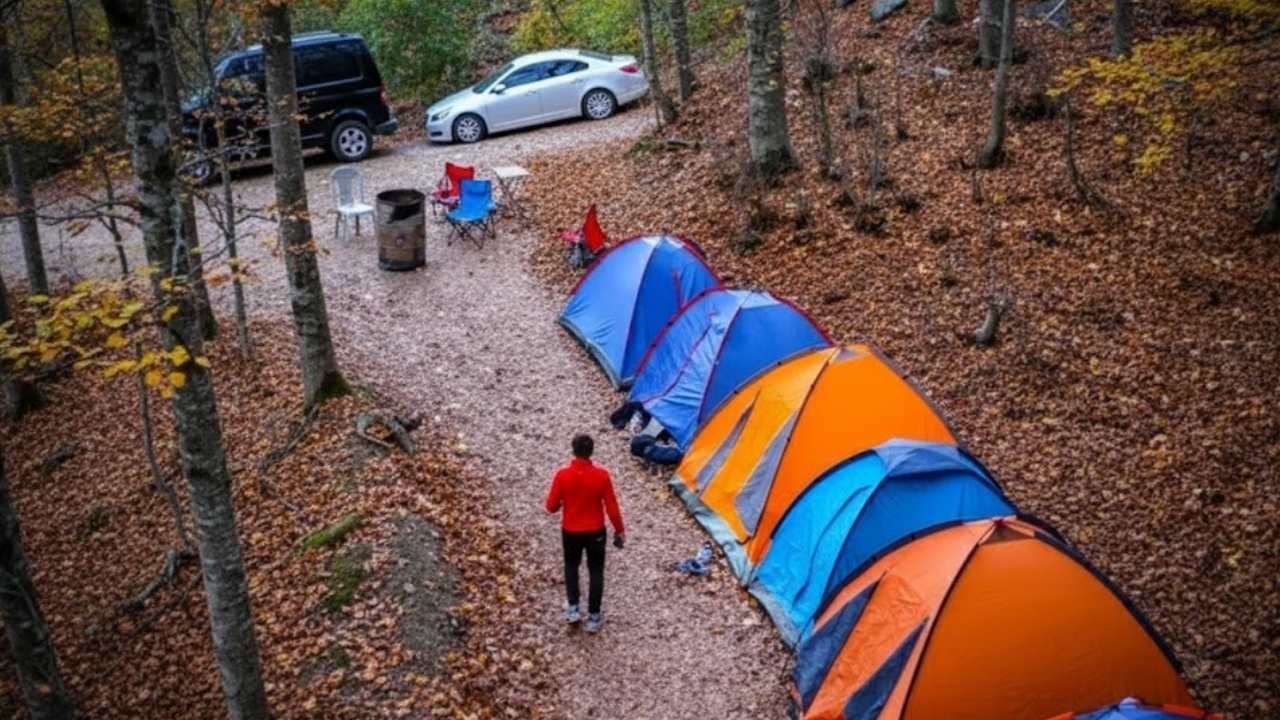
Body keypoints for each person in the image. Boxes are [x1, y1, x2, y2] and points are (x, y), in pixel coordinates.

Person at [545, 434, 624, 633]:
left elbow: (551, 506)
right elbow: (612, 506)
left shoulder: (562, 475)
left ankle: (573, 609)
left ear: (573, 450)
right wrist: (619, 529)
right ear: (591, 451)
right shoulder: (602, 476)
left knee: (571, 566)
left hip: (571, 530)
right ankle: (594, 616)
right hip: (596, 530)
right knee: (596, 570)